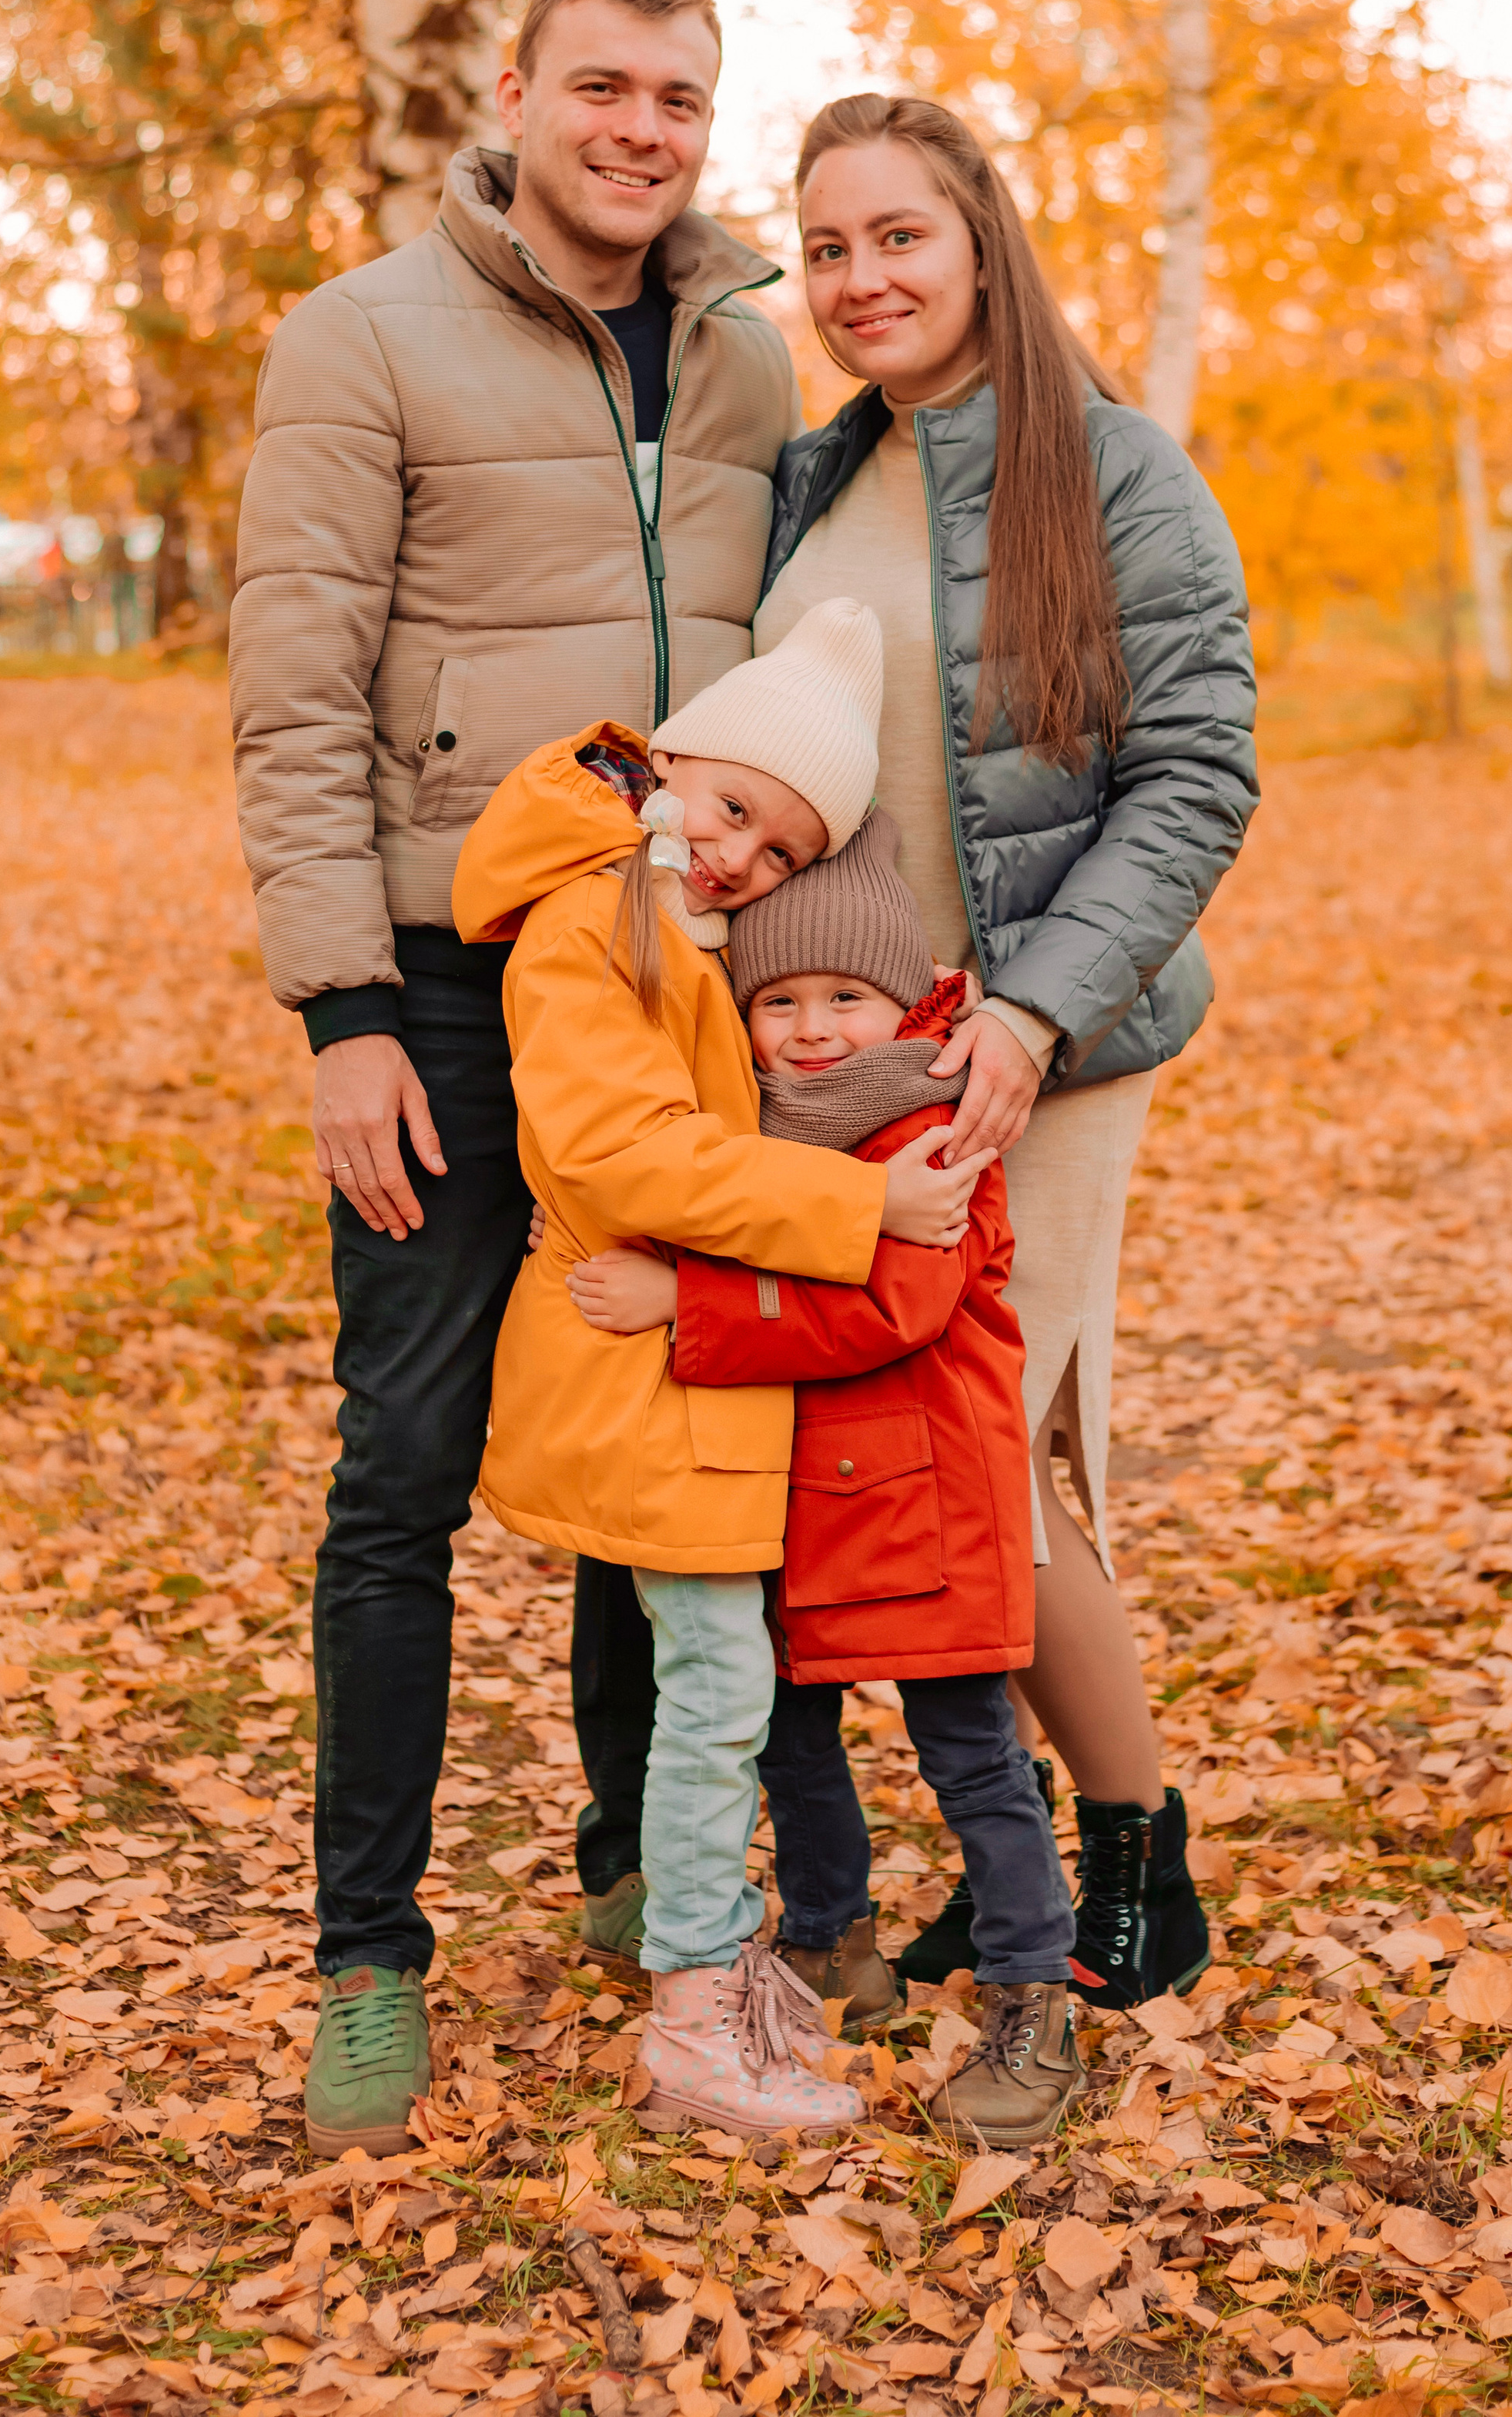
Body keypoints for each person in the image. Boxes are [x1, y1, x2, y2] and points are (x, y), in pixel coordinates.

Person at [227, 0, 810, 2160]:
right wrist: (341, 1014)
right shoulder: (361, 336)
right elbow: (294, 694)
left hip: (680, 988)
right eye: (604, 87)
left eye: (679, 94)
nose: (641, 129)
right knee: (403, 1474)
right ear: (517, 91)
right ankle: (367, 1956)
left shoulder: (753, 363)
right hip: (444, 991)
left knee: (637, 1454)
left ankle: (621, 1868)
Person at [761, 92, 1259, 2003]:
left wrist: (1037, 1011)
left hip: (1038, 1043)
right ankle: (1026, 1849)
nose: (859, 278)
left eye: (897, 235)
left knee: (979, 1459)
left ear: (980, 239)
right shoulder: (823, 476)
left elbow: (1197, 770)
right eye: (824, 248)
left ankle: (1129, 1846)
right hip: (854, 1064)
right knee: (952, 1463)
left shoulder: (1116, 472)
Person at [450, 602, 993, 2135]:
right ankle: (692, 2010)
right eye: (736, 806)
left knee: (719, 1683)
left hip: (700, 1366)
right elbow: (620, 1151)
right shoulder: (590, 915)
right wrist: (860, 1205)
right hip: (641, 1374)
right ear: (671, 754)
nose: (743, 856)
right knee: (713, 1686)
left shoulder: (666, 911)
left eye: (777, 849)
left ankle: (716, 1968)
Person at [569, 812, 1088, 2145]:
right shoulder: (752, 1134)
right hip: (800, 1500)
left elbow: (886, 1304)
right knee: (793, 1742)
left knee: (973, 1756)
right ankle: (828, 1939)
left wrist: (685, 1299)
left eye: (844, 998)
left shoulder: (931, 1126)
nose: (809, 1029)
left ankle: (1037, 1992)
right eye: (778, 1000)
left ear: (902, 998)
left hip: (930, 1499)